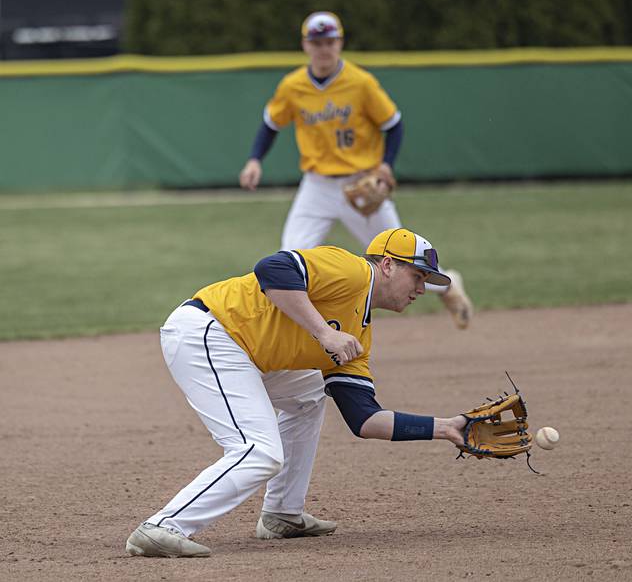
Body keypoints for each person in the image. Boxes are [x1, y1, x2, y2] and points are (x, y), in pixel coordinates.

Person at [126, 228, 469, 557]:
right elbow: (271, 268)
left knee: (310, 392)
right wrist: (323, 332)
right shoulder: (352, 272)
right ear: (389, 265)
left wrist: (445, 427)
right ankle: (162, 526)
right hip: (209, 332)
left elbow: (364, 419)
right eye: (418, 276)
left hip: (243, 352)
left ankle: (282, 514)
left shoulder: (358, 337)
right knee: (260, 451)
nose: (422, 289)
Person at [238, 11, 472, 330]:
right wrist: (255, 159)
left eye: (330, 41)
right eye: (317, 41)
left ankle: (447, 285)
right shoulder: (293, 86)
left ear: (340, 43)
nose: (324, 48)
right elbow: (270, 124)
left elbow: (394, 124)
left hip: (362, 185)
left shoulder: (360, 82)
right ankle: (299, 333)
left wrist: (386, 164)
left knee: (402, 264)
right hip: (317, 188)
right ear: (305, 45)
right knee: (290, 259)